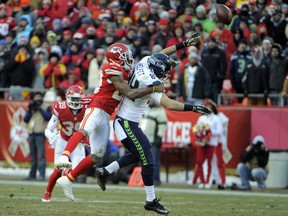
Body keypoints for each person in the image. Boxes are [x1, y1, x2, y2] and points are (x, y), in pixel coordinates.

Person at [95, 33, 211, 215]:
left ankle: (105, 172)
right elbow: (169, 104)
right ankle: (150, 201)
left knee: (137, 155)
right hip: (126, 123)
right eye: (165, 72)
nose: (166, 75)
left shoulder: (145, 61)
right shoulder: (151, 81)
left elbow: (162, 54)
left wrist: (183, 44)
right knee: (148, 157)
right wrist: (193, 107)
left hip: (125, 122)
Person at [55, 42, 165, 201]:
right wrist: (153, 89)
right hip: (97, 108)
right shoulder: (110, 67)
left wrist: (180, 46)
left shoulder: (124, 72)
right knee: (83, 131)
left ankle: (68, 179)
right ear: (117, 59)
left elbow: (152, 60)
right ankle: (64, 156)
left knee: (96, 156)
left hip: (106, 114)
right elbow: (130, 93)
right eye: (125, 56)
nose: (129, 59)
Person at [42, 85, 87, 202]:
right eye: (74, 99)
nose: (77, 102)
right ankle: (48, 191)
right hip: (63, 141)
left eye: (78, 99)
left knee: (78, 169)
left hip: (77, 142)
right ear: (67, 97)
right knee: (57, 170)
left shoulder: (87, 108)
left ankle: (65, 180)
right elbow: (48, 129)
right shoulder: (60, 107)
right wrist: (50, 135)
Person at [192, 100, 222, 189]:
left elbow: (220, 131)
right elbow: (196, 128)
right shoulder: (201, 118)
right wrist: (200, 135)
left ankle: (208, 181)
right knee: (199, 161)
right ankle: (202, 181)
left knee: (209, 161)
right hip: (202, 143)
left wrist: (209, 132)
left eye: (210, 108)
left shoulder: (216, 118)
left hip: (211, 142)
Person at [23, 92, 52, 181]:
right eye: (36, 98)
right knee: (32, 156)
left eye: (39, 97)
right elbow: (25, 119)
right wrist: (30, 110)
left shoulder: (46, 106)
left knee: (41, 155)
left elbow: (48, 117)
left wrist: (40, 108)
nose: (37, 99)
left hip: (40, 133)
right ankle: (32, 174)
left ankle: (41, 174)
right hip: (32, 133)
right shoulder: (32, 107)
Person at [140, 99, 168, 186]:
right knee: (142, 161)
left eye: (153, 99)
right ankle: (141, 180)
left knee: (154, 161)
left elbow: (163, 124)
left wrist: (159, 136)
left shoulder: (159, 111)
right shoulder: (144, 108)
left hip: (153, 140)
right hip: (142, 139)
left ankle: (156, 179)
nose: (151, 100)